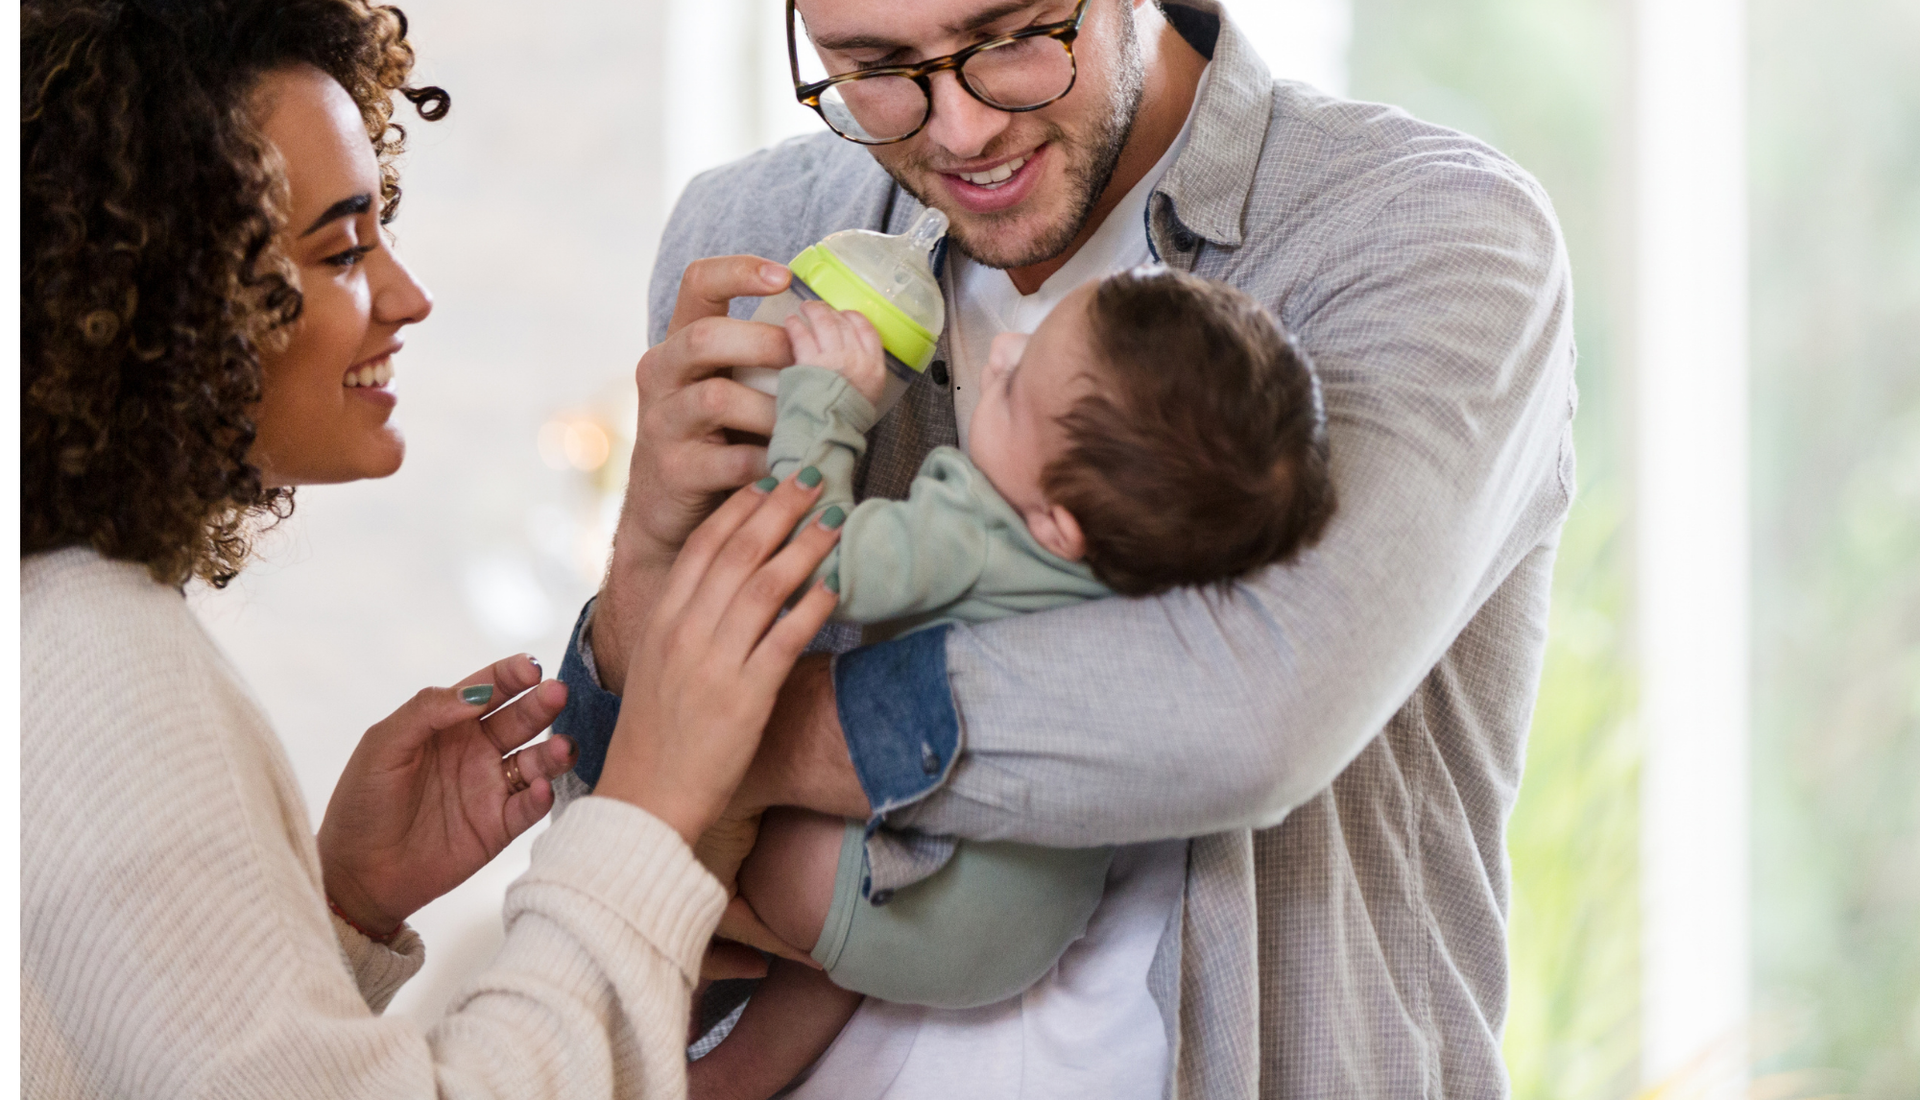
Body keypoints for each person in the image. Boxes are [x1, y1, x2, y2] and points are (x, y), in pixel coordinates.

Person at [556, 0, 1577, 1095]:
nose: (958, 130)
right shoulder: (758, 227)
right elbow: (643, 930)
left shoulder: (1426, 233)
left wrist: (706, 740)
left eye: (1007, 38)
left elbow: (1248, 714)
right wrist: (651, 546)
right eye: (873, 66)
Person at [20, 2, 840, 1097]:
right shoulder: (93, 655)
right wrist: (650, 799)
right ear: (163, 290)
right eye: (342, 248)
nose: (409, 297)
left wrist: (339, 904)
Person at [681, 267, 1335, 1099]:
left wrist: (827, 405)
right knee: (856, 946)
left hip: (919, 903)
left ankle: (666, 1017)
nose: (1004, 353)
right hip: (1026, 922)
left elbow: (808, 561)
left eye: (1019, 387)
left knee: (715, 812)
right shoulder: (1155, 568)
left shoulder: (979, 532)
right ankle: (732, 1078)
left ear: (1056, 526)